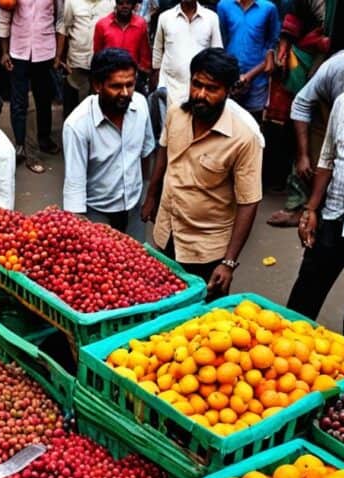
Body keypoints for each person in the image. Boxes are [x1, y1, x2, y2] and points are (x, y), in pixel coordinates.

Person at [284, 35, 344, 347]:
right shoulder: (343, 103)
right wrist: (311, 208)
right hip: (334, 216)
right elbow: (327, 157)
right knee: (304, 296)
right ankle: (287, 354)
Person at [142, 48, 264, 300]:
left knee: (202, 325)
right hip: (167, 232)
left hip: (206, 251)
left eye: (212, 89)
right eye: (196, 84)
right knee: (162, 310)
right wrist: (152, 195)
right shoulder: (176, 113)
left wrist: (228, 263)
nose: (200, 94)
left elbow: (249, 201)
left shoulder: (244, 138)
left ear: (228, 91)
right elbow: (164, 153)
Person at [266, 2, 344, 228]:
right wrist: (303, 157)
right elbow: (301, 104)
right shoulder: (339, 67)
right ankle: (304, 207)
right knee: (326, 158)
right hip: (323, 66)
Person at [63, 48, 155, 242]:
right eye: (116, 86)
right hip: (97, 212)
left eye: (130, 85)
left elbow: (146, 153)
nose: (125, 93)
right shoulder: (77, 125)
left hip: (134, 206)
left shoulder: (140, 104)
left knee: (137, 265)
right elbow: (75, 184)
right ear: (97, 85)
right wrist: (81, 232)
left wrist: (148, 196)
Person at [0, 0, 60, 172]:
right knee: (19, 100)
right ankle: (20, 144)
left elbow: (60, 17)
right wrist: (4, 53)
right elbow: (4, 18)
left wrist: (58, 54)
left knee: (43, 97)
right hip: (18, 50)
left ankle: (44, 137)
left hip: (45, 49)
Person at [151, 0, 223, 106]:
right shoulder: (165, 18)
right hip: (170, 89)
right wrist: (158, 83)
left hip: (200, 91)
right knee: (169, 121)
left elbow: (217, 54)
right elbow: (157, 52)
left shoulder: (211, 18)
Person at [216, 0, 280, 117]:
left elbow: (272, 42)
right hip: (231, 76)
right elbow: (221, 40)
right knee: (228, 118)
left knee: (253, 122)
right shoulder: (223, 6)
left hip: (257, 77)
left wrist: (249, 75)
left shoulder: (268, 8)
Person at [56, 0, 115, 117]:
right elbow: (64, 28)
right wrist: (58, 56)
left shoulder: (111, 3)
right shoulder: (72, 2)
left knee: (100, 105)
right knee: (73, 107)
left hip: (102, 63)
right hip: (77, 61)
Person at [93, 0, 152, 84]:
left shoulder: (140, 24)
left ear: (133, 5)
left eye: (128, 3)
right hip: (109, 77)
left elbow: (144, 54)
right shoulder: (102, 25)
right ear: (116, 4)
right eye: (121, 3)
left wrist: (144, 75)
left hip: (132, 77)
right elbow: (98, 54)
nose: (125, 6)